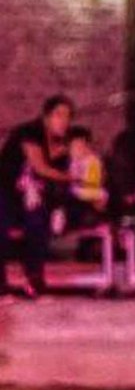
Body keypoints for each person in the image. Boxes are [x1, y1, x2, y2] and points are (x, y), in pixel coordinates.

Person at [0, 96, 74, 298]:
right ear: (46, 116)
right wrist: (74, 178)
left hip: (29, 199)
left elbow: (54, 182)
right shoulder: (29, 132)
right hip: (5, 191)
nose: (64, 121)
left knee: (37, 223)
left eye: (67, 116)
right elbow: (40, 168)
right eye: (59, 115)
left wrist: (60, 207)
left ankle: (35, 281)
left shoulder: (60, 144)